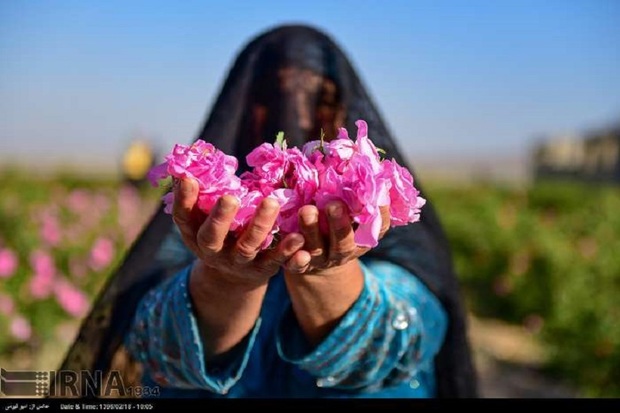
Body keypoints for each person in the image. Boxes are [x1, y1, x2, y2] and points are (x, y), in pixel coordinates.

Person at [53, 24, 478, 399]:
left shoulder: (391, 228)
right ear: (240, 108)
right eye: (271, 96)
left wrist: (328, 273)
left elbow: (403, 340)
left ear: (347, 109)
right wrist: (226, 279)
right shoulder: (208, 217)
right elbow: (157, 350)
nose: (295, 112)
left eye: (318, 97)